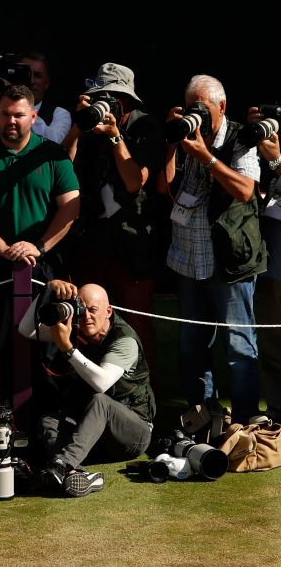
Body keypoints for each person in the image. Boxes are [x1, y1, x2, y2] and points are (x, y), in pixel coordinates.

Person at [0, 84, 80, 396]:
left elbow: (71, 207)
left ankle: (42, 414)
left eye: (19, 115)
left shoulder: (52, 156)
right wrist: (5, 249)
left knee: (43, 347)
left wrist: (38, 247)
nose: (12, 121)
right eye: (5, 114)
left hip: (42, 269)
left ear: (34, 116)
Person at [156, 75, 261, 424]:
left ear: (222, 107)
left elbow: (246, 190)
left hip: (228, 261)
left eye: (203, 107)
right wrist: (172, 142)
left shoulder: (239, 138)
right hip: (188, 259)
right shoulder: (184, 133)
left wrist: (205, 156)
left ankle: (245, 422)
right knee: (191, 347)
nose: (197, 114)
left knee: (238, 347)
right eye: (191, 107)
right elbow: (163, 186)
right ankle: (203, 416)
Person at [60, 63, 165, 374]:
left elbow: (135, 181)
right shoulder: (88, 127)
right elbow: (62, 169)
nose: (107, 104)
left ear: (129, 102)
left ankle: (144, 404)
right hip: (92, 240)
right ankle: (88, 395)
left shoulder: (146, 128)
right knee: (86, 324)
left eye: (115, 98)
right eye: (101, 96)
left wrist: (117, 138)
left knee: (137, 328)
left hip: (132, 247)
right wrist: (79, 126)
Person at [19, 280, 155, 497]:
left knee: (101, 401)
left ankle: (62, 464)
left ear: (108, 311)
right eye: (81, 309)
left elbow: (102, 383)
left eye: (93, 310)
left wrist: (68, 349)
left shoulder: (124, 340)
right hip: (94, 434)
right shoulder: (76, 327)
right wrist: (48, 289)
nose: (86, 316)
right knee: (50, 420)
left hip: (132, 434)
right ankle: (74, 474)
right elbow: (26, 330)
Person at [251, 105, 281, 419]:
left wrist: (277, 161)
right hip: (269, 261)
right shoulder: (263, 144)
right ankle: (276, 410)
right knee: (271, 344)